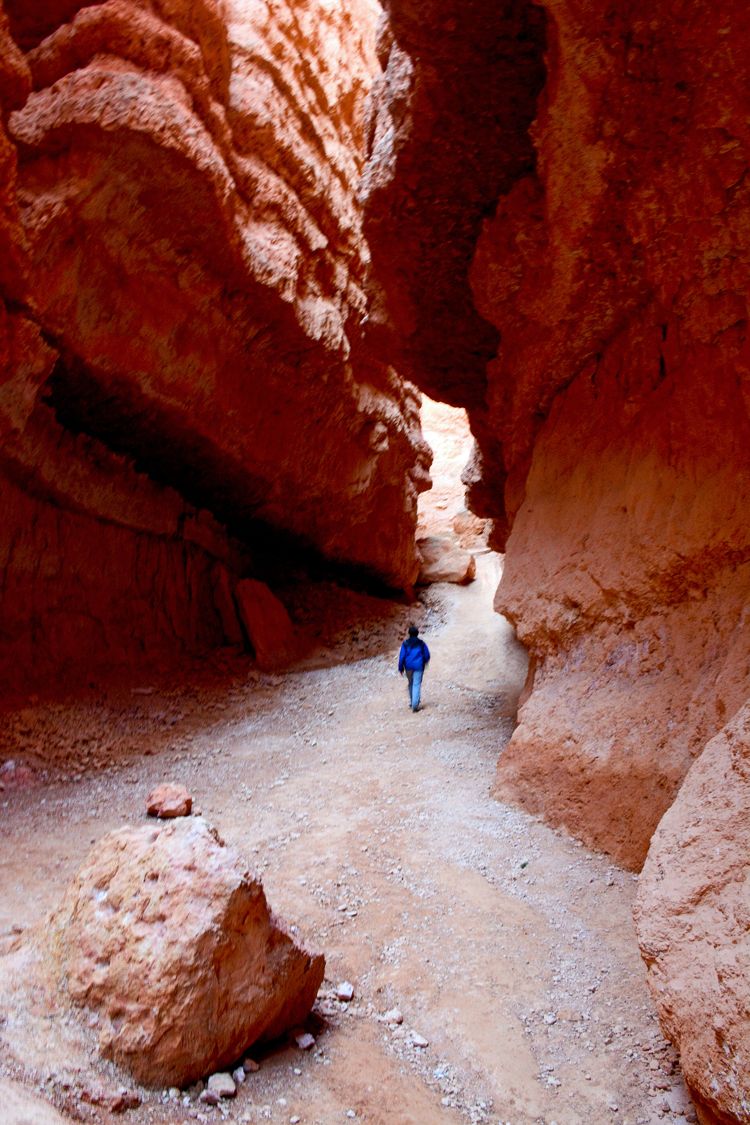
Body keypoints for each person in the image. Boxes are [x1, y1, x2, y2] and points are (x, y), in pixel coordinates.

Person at [398, 625, 430, 712]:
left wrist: (400, 668)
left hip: (408, 667)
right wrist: (425, 662)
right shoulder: (421, 643)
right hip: (419, 666)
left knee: (411, 683)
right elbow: (427, 654)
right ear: (417, 634)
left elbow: (401, 657)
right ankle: (415, 705)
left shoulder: (405, 644)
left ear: (409, 634)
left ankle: (413, 702)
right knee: (416, 684)